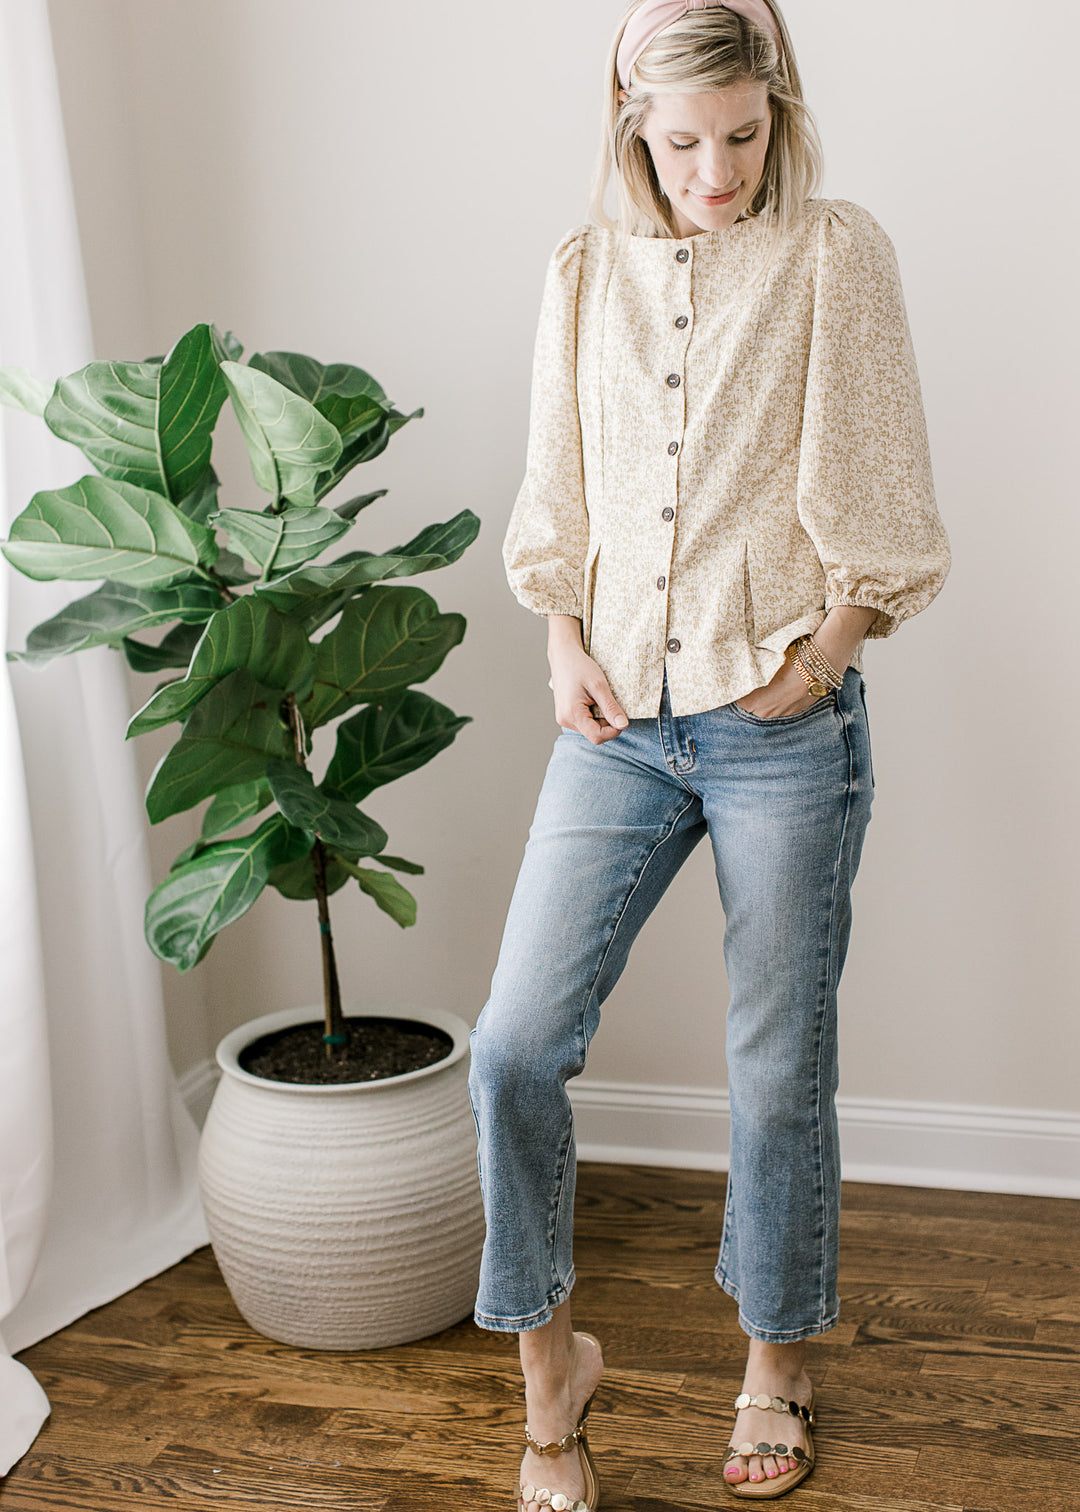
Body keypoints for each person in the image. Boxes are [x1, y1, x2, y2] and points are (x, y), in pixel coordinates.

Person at [466, 0, 951, 1504]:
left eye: (742, 135)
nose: (716, 171)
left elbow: (887, 488)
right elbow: (557, 486)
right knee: (515, 1046)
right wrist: (562, 642)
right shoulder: (582, 268)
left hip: (777, 720)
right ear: (632, 125)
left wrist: (825, 656)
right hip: (617, 720)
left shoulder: (835, 254)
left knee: (776, 1062)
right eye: (682, 143)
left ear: (777, 110)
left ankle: (775, 1364)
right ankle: (552, 1372)